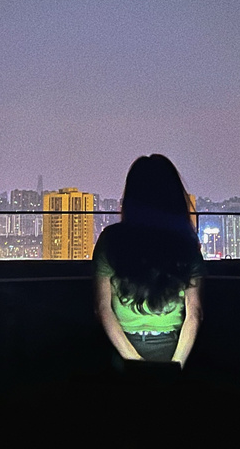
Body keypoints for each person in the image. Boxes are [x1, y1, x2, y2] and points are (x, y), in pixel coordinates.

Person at [93, 154, 203, 369]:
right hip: (173, 344)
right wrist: (176, 365)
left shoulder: (111, 240)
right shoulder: (186, 243)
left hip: (122, 345)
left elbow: (102, 308)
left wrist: (133, 362)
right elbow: (194, 313)